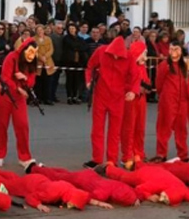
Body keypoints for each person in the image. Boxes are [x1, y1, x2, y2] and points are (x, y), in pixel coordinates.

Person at [84, 36, 135, 168]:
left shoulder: (129, 57)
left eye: (119, 56)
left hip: (118, 98)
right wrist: (88, 80)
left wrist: (133, 91)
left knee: (115, 131)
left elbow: (135, 75)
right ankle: (97, 159)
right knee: (97, 129)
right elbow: (90, 66)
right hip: (101, 95)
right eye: (114, 55)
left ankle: (112, 159)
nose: (116, 58)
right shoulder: (101, 51)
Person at [0, 39, 39, 169]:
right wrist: (17, 87)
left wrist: (24, 79)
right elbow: (5, 77)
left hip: (19, 97)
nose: (31, 55)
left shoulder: (32, 61)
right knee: (0, 126)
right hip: (3, 95)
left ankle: (24, 156)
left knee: (22, 125)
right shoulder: (11, 57)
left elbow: (31, 81)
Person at [0, 170, 91, 212]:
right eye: (73, 204)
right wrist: (39, 205)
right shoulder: (50, 194)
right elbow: (31, 197)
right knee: (10, 186)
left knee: (16, 180)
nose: (71, 206)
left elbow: (83, 195)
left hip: (38, 179)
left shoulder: (68, 188)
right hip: (30, 185)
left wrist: (97, 202)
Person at [30, 164, 138, 207]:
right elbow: (88, 196)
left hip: (89, 175)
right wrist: (100, 203)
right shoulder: (103, 194)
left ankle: (42, 168)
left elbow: (131, 190)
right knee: (58, 176)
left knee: (64, 174)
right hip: (81, 181)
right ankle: (35, 169)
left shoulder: (118, 185)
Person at [104, 163, 189, 206]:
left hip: (160, 172)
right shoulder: (159, 185)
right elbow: (140, 188)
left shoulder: (185, 192)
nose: (161, 199)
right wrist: (149, 196)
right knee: (125, 177)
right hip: (145, 174)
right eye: (164, 196)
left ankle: (137, 164)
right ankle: (108, 168)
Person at [153, 41, 189, 161]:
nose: (175, 53)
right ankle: (161, 154)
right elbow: (159, 83)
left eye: (177, 49)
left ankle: (183, 154)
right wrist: (164, 95)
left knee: (181, 129)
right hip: (168, 100)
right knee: (164, 127)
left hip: (182, 100)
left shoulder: (183, 65)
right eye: (172, 49)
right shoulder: (165, 65)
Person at [122, 40, 149, 169]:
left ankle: (138, 152)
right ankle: (127, 155)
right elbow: (123, 84)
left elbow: (147, 81)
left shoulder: (142, 67)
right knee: (129, 128)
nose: (145, 57)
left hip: (141, 100)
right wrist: (136, 89)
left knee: (140, 128)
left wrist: (146, 87)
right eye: (144, 53)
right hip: (130, 100)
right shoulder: (128, 66)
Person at [62, 22, 87, 104]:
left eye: (73, 29)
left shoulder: (80, 39)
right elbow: (71, 45)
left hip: (78, 62)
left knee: (77, 80)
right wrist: (77, 47)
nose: (71, 30)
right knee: (69, 80)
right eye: (70, 29)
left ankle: (75, 96)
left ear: (76, 29)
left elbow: (83, 47)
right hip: (69, 62)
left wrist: (77, 48)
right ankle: (69, 96)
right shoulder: (66, 38)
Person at [34, 24, 55, 104]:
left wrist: (45, 56)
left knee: (48, 81)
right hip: (38, 63)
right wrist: (40, 57)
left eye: (41, 30)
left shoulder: (48, 39)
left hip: (48, 62)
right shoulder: (33, 39)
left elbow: (51, 49)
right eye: (38, 30)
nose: (40, 32)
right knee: (38, 82)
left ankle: (47, 98)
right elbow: (33, 50)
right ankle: (38, 98)